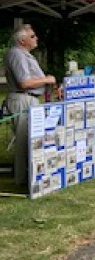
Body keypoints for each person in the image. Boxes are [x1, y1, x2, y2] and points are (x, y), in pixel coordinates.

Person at [2, 24, 58, 188]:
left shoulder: (23, 54)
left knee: (30, 139)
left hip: (29, 99)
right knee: (23, 140)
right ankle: (23, 179)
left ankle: (30, 175)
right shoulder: (17, 55)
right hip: (23, 99)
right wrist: (47, 80)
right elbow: (24, 82)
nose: (36, 38)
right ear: (22, 40)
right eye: (32, 36)